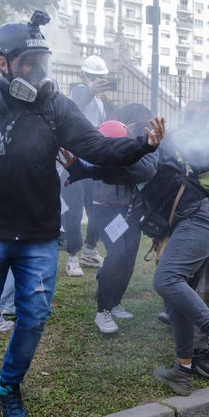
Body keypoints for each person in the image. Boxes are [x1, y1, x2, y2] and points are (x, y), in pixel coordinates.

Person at [0, 11, 165, 417]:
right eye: (28, 62)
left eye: (42, 61)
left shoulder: (55, 106)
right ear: (3, 63)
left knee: (33, 317)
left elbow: (98, 147)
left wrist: (142, 144)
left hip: (38, 235)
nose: (38, 71)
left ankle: (9, 385)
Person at [143, 128, 209, 397]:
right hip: (197, 223)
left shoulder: (151, 154)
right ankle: (183, 371)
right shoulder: (158, 157)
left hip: (199, 221)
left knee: (166, 279)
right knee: (175, 298)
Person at [65, 114, 158, 334]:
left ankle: (115, 302)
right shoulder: (91, 161)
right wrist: (93, 217)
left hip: (130, 212)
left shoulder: (135, 157)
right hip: (106, 213)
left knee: (129, 258)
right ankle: (103, 310)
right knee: (117, 255)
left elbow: (143, 172)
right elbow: (85, 193)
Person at [61, 54, 111, 277]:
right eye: (93, 76)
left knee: (97, 207)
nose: (97, 81)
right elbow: (76, 104)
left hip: (92, 162)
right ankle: (72, 256)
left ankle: (90, 250)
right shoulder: (77, 92)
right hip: (72, 163)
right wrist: (90, 90)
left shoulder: (99, 102)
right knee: (73, 210)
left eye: (101, 77)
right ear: (83, 76)